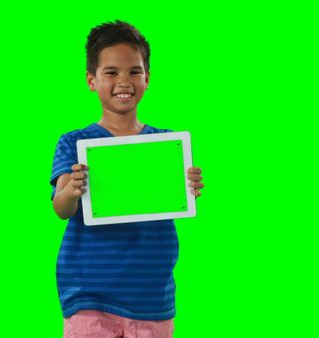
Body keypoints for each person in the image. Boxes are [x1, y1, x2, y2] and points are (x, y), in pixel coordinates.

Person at [50, 20, 205, 338]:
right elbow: (61, 208)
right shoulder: (73, 142)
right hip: (89, 297)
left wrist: (188, 186)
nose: (125, 81)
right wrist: (71, 190)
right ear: (91, 80)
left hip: (151, 298)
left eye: (134, 71)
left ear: (147, 78)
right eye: (111, 72)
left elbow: (176, 198)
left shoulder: (166, 143)